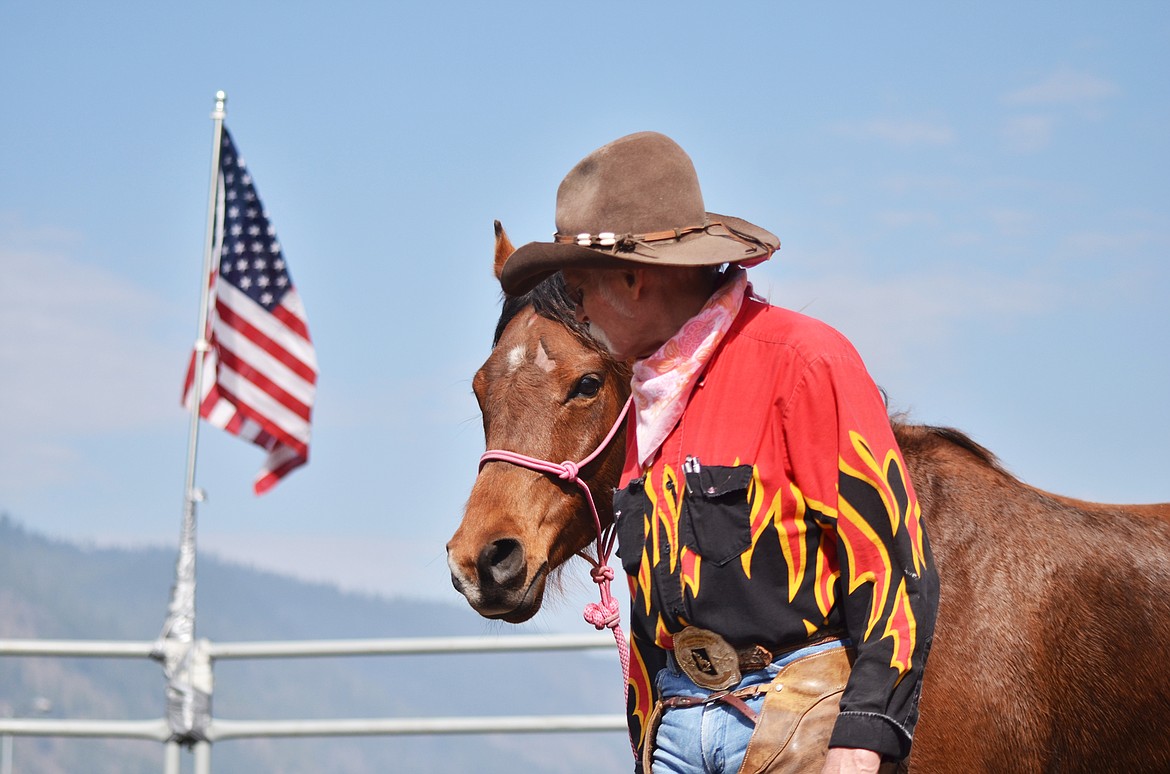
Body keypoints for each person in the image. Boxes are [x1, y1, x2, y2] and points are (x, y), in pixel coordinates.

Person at [499, 132, 939, 774]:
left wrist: (866, 731)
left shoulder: (804, 362)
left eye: (581, 288)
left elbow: (892, 560)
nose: (580, 311)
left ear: (632, 277)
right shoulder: (639, 395)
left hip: (795, 718)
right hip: (674, 725)